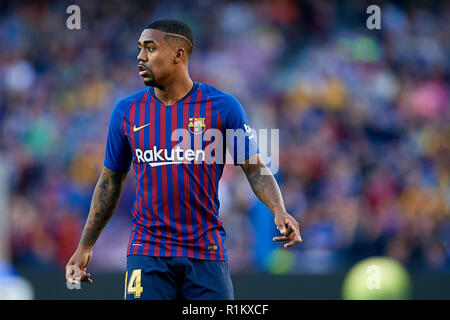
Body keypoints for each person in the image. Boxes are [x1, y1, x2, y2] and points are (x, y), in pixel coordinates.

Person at [65, 19, 302, 300]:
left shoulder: (223, 107)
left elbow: (254, 167)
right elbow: (110, 180)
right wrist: (86, 245)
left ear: (178, 55)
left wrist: (279, 209)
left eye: (150, 49)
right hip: (148, 253)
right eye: (140, 49)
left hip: (205, 253)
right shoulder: (126, 112)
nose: (140, 57)